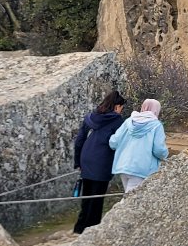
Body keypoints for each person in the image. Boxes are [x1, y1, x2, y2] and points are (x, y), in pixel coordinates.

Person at [71, 90, 125, 233]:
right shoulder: (118, 121)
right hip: (102, 161)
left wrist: (78, 162)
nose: (121, 111)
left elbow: (79, 141)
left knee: (87, 196)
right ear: (116, 106)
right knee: (97, 197)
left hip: (86, 159)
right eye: (121, 107)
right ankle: (92, 230)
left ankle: (79, 228)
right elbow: (118, 143)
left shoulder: (90, 117)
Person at [109, 98, 168, 191]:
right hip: (142, 169)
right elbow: (159, 150)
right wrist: (165, 155)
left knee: (128, 197)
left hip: (123, 165)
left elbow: (114, 142)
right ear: (157, 110)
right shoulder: (156, 126)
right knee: (132, 201)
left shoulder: (128, 121)